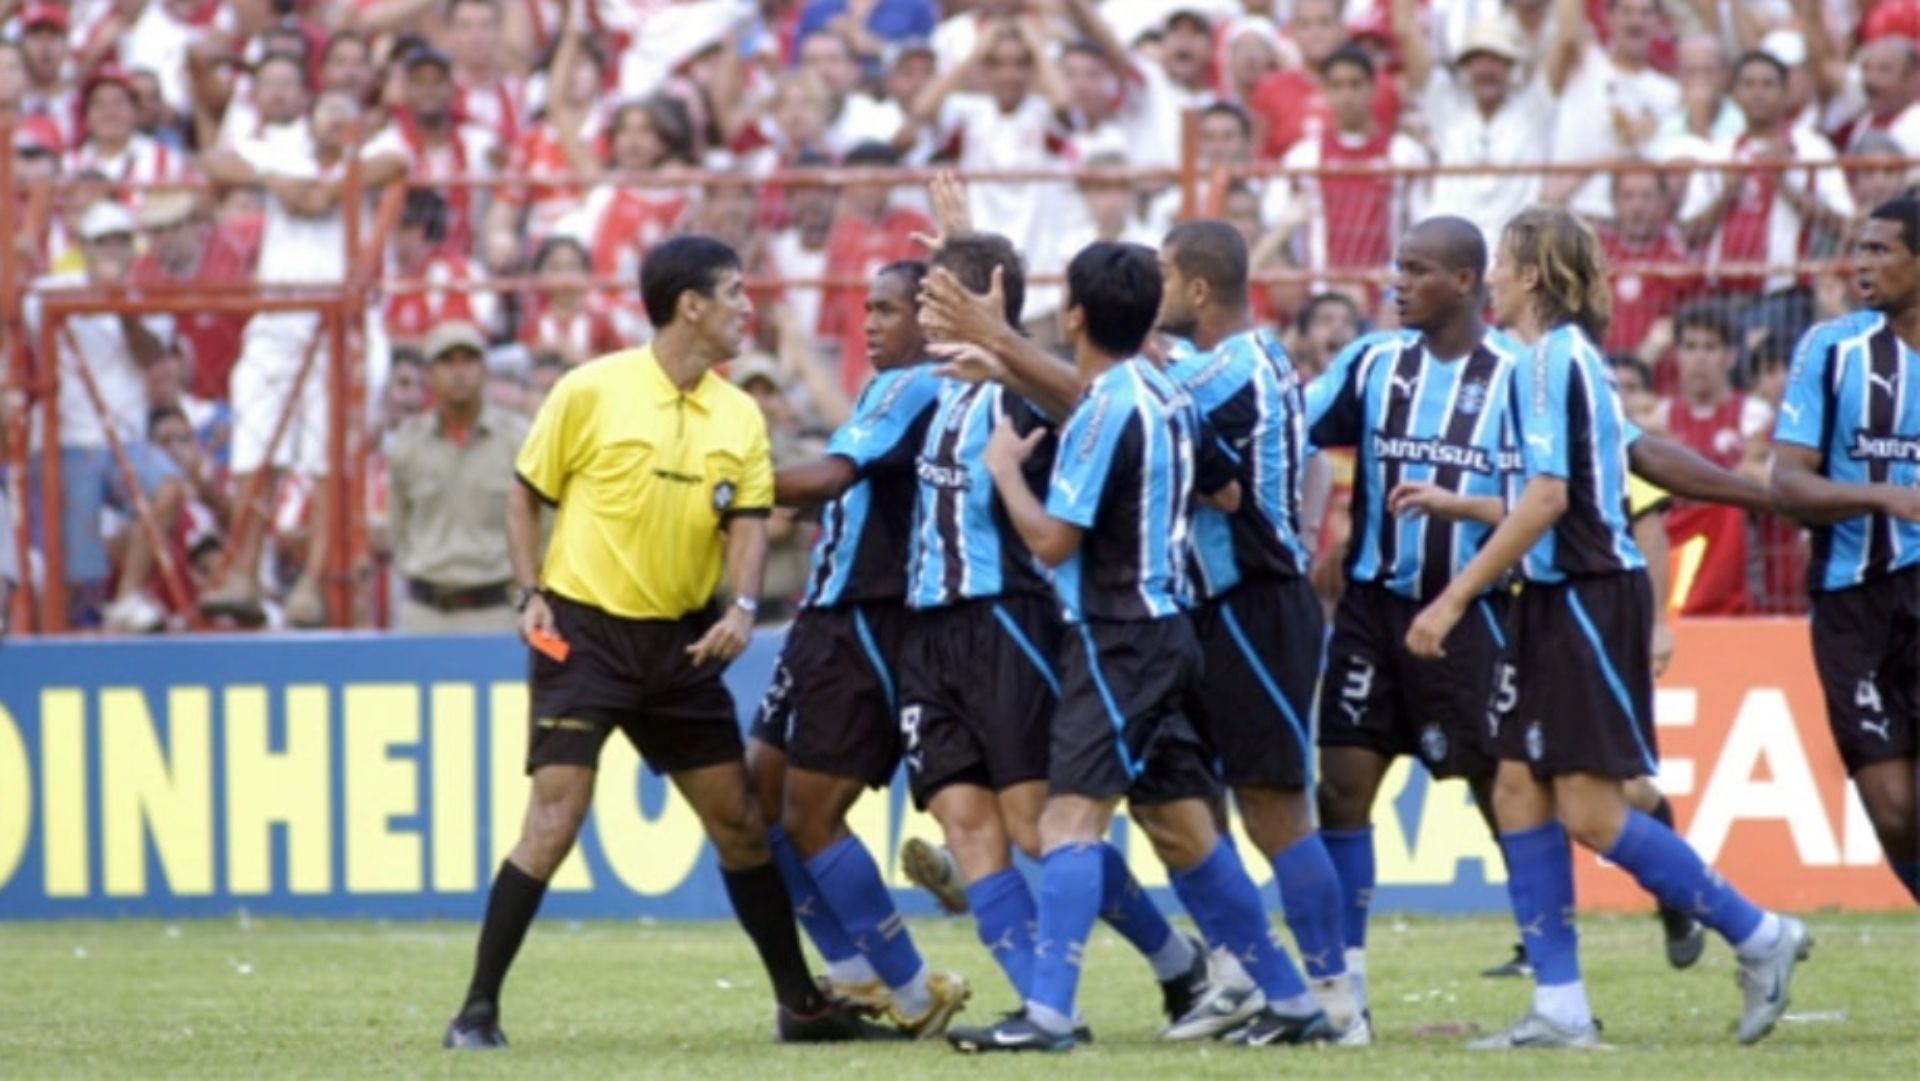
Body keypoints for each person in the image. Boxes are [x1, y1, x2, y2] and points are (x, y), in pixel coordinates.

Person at [444, 236, 885, 1049]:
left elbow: (749, 518)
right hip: (584, 636)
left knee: (741, 823)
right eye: (736, 293)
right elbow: (523, 497)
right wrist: (528, 592)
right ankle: (476, 1009)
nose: (748, 308)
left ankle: (801, 1005)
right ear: (691, 305)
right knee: (555, 817)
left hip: (682, 647)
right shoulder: (592, 389)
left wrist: (743, 605)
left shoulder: (738, 412)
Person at [1407, 206, 1810, 1049]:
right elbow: (1622, 461)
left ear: (1530, 276)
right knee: (1517, 785)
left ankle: (1761, 933)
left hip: (1587, 596)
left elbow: (1555, 500)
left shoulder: (1553, 362)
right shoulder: (1549, 363)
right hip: (1546, 599)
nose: (1495, 276)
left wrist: (1451, 600)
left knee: (1591, 811)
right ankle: (1560, 1003)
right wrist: (1463, 505)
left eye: (1506, 260)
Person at [897, 230, 1218, 1032]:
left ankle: (1178, 963)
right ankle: (1042, 1008)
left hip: (1009, 620)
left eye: (941, 295)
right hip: (927, 633)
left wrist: (1000, 340)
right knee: (965, 825)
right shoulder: (929, 386)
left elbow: (1090, 399)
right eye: (925, 297)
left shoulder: (1028, 389)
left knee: (1043, 831)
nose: (920, 310)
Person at [1303, 216, 1525, 1027]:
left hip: (1470, 609)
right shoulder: (1372, 361)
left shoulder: (1516, 373)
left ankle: (1553, 972)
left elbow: (1554, 490)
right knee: (1342, 783)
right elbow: (1292, 427)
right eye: (1397, 267)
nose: (1397, 283)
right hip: (1371, 604)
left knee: (1499, 789)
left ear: (1465, 281)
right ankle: (1345, 986)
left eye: (1416, 269)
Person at [745, 261, 970, 1037]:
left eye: (886, 308)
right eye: (864, 307)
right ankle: (851, 977)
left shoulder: (919, 385)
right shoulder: (891, 391)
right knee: (754, 800)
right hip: (823, 617)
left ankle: (912, 993)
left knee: (811, 814)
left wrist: (724, 488)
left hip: (866, 621)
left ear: (928, 317)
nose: (870, 322)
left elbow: (833, 476)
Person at [1155, 220, 1366, 1043]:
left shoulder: (1229, 371)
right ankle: (1242, 974)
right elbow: (1311, 460)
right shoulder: (1249, 360)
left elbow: (1132, 406)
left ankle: (1333, 998)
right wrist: (1306, 529)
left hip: (1253, 606)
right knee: (1185, 795)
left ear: (1198, 289)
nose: (1159, 293)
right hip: (1215, 606)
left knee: (1275, 809)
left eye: (1166, 276)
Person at [197, 90, 409, 627]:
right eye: (327, 108)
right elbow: (215, 160)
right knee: (254, 448)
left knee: (329, 458)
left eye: (345, 111)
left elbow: (395, 164)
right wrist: (276, 181)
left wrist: (322, 189)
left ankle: (313, 583)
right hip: (278, 318)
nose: (335, 120)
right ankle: (243, 572)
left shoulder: (377, 144)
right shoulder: (282, 145)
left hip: (345, 322)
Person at [1770, 195, 1920, 903]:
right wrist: (1883, 497)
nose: (1862, 264)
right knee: (1893, 810)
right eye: (1860, 249)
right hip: (1851, 603)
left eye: (1881, 250)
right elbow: (1789, 481)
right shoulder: (1830, 349)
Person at [27, 200, 186, 632]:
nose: (111, 253)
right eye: (102, 244)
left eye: (120, 243)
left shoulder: (145, 299)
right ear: (84, 248)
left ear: (133, 251)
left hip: (124, 438)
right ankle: (50, 648)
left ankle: (127, 597)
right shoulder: (48, 291)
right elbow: (15, 322)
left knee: (168, 489)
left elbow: (151, 356)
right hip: (67, 440)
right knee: (73, 572)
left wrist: (120, 308)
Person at [387, 322, 528, 634]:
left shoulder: (517, 441)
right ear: (429, 375)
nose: (459, 372)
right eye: (447, 362)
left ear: (485, 370)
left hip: (495, 609)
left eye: (469, 360)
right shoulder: (408, 444)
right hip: (424, 611)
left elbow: (540, 525)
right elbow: (399, 523)